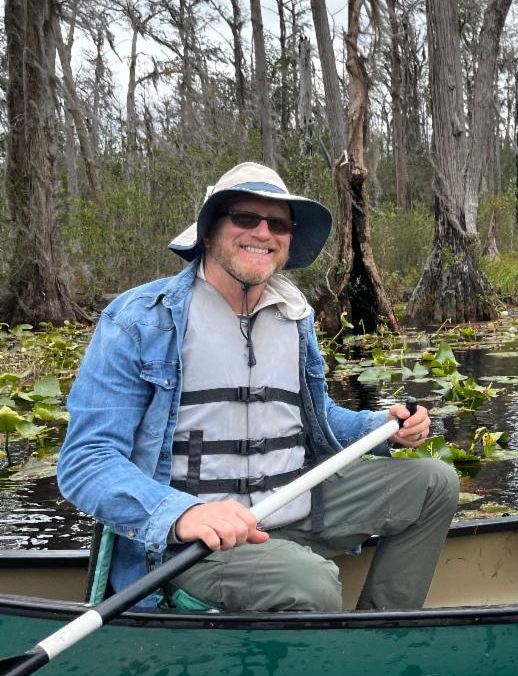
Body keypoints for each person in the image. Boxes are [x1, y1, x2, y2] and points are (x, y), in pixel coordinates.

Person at [58, 162, 460, 612]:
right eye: (245, 218)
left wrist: (381, 425)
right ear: (209, 231)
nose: (263, 233)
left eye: (278, 224)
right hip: (195, 547)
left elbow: (313, 416)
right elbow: (86, 460)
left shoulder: (294, 315)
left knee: (434, 482)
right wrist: (182, 513)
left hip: (297, 509)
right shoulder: (141, 320)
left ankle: (382, 629)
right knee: (309, 583)